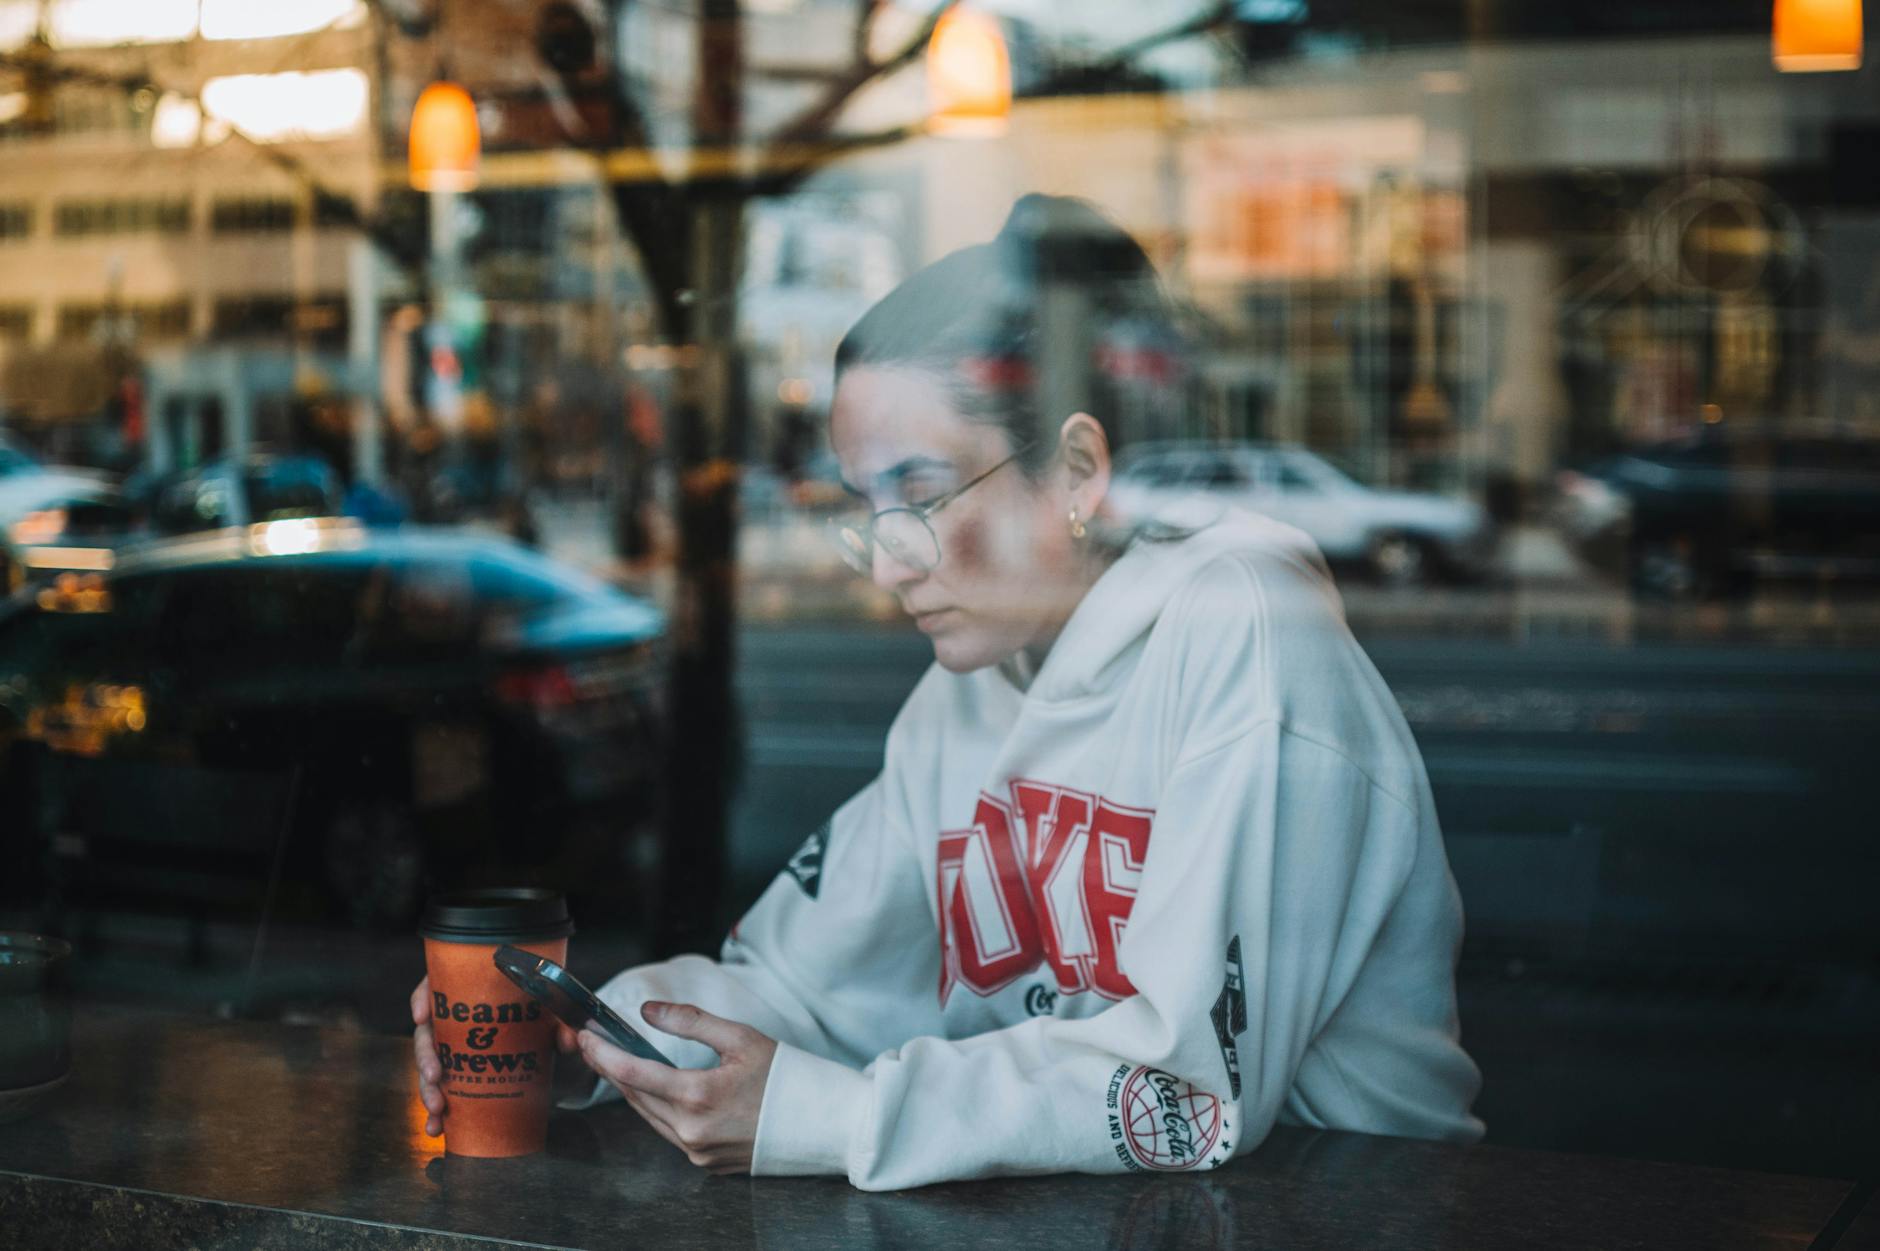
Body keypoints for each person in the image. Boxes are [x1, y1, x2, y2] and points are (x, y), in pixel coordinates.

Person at [412, 195, 1483, 1189]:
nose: (887, 565)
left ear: (1075, 473)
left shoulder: (1241, 631)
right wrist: (585, 1037)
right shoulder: (966, 691)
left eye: (919, 495)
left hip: (1345, 1209)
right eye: (863, 509)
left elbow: (1187, 1093)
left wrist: (831, 1120)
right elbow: (803, 988)